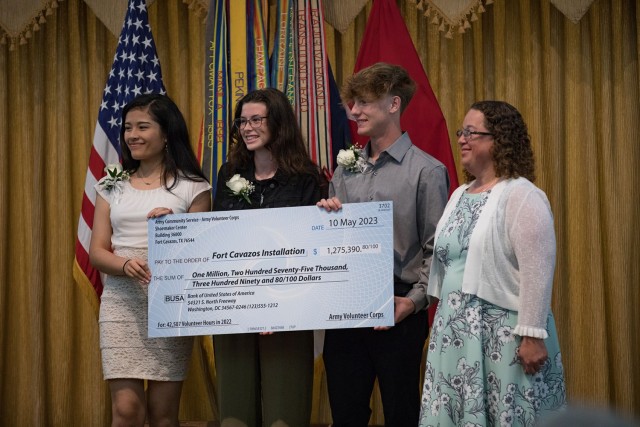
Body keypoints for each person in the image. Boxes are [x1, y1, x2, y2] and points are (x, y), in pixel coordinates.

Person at [317, 62, 450, 426]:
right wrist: (325, 222)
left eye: (364, 102)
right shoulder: (345, 171)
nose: (354, 111)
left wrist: (413, 302)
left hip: (399, 305)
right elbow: (334, 243)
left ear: (394, 104)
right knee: (345, 412)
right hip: (347, 304)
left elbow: (437, 252)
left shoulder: (427, 171)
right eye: (352, 102)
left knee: (402, 411)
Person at [418, 101, 566, 426]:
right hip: (457, 335)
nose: (461, 139)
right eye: (461, 132)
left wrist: (532, 335)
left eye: (471, 132)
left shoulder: (521, 194)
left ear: (499, 140)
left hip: (505, 338)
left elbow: (537, 269)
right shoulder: (459, 194)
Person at [89, 93, 211, 427]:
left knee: (163, 414)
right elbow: (97, 252)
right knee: (127, 410)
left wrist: (175, 227)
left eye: (143, 126)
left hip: (170, 302)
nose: (133, 135)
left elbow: (201, 253)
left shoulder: (193, 187)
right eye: (128, 127)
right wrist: (126, 265)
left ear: (167, 133)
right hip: (120, 301)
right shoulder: (110, 185)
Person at [212, 87, 324, 427]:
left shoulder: (307, 178)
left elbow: (311, 252)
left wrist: (276, 308)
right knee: (234, 417)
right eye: (242, 121)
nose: (247, 127)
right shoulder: (228, 174)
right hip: (234, 310)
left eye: (256, 119)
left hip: (287, 315)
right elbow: (219, 242)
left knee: (284, 418)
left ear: (278, 123)